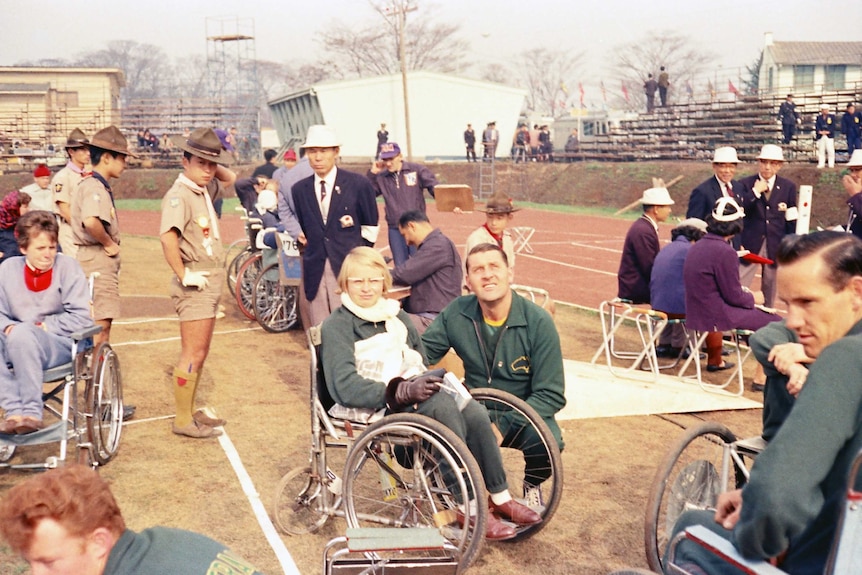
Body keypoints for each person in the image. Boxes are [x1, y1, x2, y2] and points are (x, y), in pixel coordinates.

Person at [666, 231, 862, 575]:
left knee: (691, 526)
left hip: (824, 561)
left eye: (807, 302)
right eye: (787, 305)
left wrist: (755, 531)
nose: (792, 321)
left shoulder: (844, 357)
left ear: (856, 292)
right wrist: (753, 499)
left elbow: (778, 498)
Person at [321, 247, 542, 541]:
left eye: (373, 281)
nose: (366, 288)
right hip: (373, 406)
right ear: (345, 283)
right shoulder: (338, 325)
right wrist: (400, 390)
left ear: (383, 283)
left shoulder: (395, 317)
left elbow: (420, 361)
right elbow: (343, 385)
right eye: (358, 281)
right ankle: (467, 505)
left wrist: (435, 382)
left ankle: (500, 497)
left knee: (473, 410)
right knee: (441, 408)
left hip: (408, 397)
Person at [423, 243, 565, 508]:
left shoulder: (538, 322)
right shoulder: (457, 312)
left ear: (510, 273)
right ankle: (450, 486)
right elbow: (421, 353)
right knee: (428, 431)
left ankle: (532, 484)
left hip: (521, 413)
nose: (487, 275)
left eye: (494, 267)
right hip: (475, 408)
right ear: (468, 281)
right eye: (478, 270)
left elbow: (551, 394)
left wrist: (502, 427)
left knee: (549, 441)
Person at [0, 464, 265, 574]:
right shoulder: (167, 539)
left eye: (49, 562)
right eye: (30, 562)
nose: (36, 574)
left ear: (98, 542)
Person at [160, 127, 237, 439]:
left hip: (210, 277)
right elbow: (167, 238)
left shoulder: (201, 189)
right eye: (200, 162)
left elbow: (229, 179)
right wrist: (183, 275)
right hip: (195, 280)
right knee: (192, 351)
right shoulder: (180, 195)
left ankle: (190, 410)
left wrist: (210, 161)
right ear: (184, 161)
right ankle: (182, 419)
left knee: (201, 351)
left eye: (211, 163)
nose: (208, 169)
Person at [0, 211, 92, 434]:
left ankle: (32, 412)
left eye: (52, 248)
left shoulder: (68, 267)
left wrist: (45, 326)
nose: (48, 255)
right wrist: (6, 327)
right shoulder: (8, 269)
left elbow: (82, 317)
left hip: (59, 343)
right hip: (16, 341)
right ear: (23, 248)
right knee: (19, 333)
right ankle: (14, 411)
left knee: (23, 333)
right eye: (40, 249)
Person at [291, 125, 379, 327]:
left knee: (350, 325)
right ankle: (322, 359)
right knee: (320, 327)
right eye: (312, 151)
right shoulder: (300, 190)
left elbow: (370, 227)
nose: (318, 157)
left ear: (336, 152)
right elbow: (309, 227)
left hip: (348, 267)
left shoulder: (358, 184)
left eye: (323, 151)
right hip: (314, 268)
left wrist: (358, 260)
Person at [682, 197, 779, 378]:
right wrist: (754, 298)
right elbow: (733, 296)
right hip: (716, 314)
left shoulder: (697, 245)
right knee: (776, 323)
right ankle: (762, 377)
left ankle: (759, 372)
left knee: (762, 318)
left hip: (698, 311)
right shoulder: (724, 251)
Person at [70, 126, 133, 347]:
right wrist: (108, 243)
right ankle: (95, 376)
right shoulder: (94, 187)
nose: (125, 164)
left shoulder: (95, 185)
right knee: (100, 326)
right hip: (96, 260)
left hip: (91, 259)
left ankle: (93, 371)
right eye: (122, 158)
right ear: (106, 158)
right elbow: (91, 221)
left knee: (98, 325)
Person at [736, 144, 798, 308]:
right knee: (740, 284)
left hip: (775, 245)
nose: (767, 167)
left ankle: (766, 323)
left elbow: (791, 218)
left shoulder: (788, 187)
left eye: (772, 163)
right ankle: (733, 327)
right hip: (749, 243)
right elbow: (740, 210)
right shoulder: (745, 184)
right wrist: (755, 192)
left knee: (770, 288)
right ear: (759, 163)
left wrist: (790, 244)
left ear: (779, 165)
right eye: (764, 162)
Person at [367, 142, 438, 266]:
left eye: (391, 159)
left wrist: (451, 202)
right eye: (385, 159)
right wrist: (372, 174)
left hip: (417, 227)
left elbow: (435, 188)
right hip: (395, 228)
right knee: (401, 266)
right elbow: (367, 194)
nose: (388, 163)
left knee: (421, 264)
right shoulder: (381, 177)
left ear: (400, 156)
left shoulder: (416, 170)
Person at [391, 210, 462, 334]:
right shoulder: (435, 244)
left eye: (404, 235)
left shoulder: (437, 245)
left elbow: (404, 274)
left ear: (412, 226)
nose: (407, 242)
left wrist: (377, 275)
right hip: (432, 316)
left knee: (382, 321)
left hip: (433, 320)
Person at [650, 218, 707, 358]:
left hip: (657, 304)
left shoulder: (669, 247)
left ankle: (664, 344)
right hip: (676, 307)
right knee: (694, 299)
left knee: (673, 292)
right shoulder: (690, 250)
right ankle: (682, 346)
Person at [617, 187, 674, 304]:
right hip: (635, 288)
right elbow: (649, 266)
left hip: (637, 284)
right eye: (667, 207)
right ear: (656, 209)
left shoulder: (644, 226)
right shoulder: (643, 231)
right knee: (677, 295)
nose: (670, 211)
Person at [463, 194, 519, 284]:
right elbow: (477, 272)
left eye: (499, 218)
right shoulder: (477, 239)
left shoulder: (507, 239)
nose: (494, 223)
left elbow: (509, 267)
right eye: (490, 217)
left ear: (509, 218)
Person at [51, 128, 90, 257]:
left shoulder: (88, 175)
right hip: (71, 229)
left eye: (88, 149)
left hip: (89, 227)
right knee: (76, 266)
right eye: (83, 150)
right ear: (71, 151)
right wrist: (80, 229)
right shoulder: (63, 177)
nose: (88, 153)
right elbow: (64, 209)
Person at [686, 146, 741, 222]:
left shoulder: (738, 187)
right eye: (723, 167)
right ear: (714, 166)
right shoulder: (702, 191)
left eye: (731, 166)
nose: (727, 171)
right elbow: (693, 223)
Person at [0, 191, 31, 263]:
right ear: (14, 208)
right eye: (25, 207)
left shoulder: (25, 222)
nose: (28, 209)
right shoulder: (2, 224)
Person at [843, 149, 862, 238]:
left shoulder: (857, 195)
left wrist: (855, 195)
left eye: (857, 170)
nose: (853, 175)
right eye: (851, 170)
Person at [815, 102, 836, 169]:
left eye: (826, 109)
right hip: (821, 135)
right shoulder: (819, 117)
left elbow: (833, 126)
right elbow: (817, 125)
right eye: (824, 110)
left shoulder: (832, 117)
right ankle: (821, 163)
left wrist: (828, 131)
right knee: (821, 150)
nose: (825, 111)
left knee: (830, 150)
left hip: (829, 135)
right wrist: (819, 131)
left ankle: (831, 164)